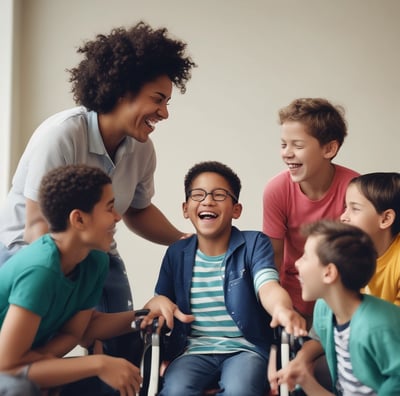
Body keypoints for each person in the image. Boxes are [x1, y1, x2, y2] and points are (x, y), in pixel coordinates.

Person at [0, 21, 196, 365]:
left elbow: (137, 210)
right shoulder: (62, 135)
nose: (165, 112)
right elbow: (36, 226)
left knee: (123, 344)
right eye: (158, 99)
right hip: (29, 251)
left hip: (95, 252)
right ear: (123, 91)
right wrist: (60, 290)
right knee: (31, 353)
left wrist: (185, 240)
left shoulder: (141, 148)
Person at [143, 161, 307, 396]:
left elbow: (267, 285)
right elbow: (159, 302)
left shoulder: (254, 244)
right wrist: (157, 303)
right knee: (176, 390)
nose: (208, 201)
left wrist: (281, 308)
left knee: (240, 389)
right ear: (185, 208)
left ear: (236, 209)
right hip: (192, 351)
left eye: (219, 195)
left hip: (246, 350)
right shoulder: (176, 253)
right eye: (198, 195)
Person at [0, 164, 142, 395]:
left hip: (22, 365)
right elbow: (6, 364)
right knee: (20, 387)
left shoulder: (96, 262)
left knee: (114, 384)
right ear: (79, 219)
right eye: (109, 208)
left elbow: (78, 331)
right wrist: (97, 363)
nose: (118, 217)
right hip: (8, 370)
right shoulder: (40, 269)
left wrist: (142, 315)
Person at [272, 220, 400, 395]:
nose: (296, 263)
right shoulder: (324, 309)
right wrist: (302, 375)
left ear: (329, 273)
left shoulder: (377, 328)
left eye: (305, 257)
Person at [262, 97, 359, 327]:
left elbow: (359, 254)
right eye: (284, 144)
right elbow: (272, 258)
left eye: (298, 145)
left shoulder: (354, 187)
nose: (287, 153)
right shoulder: (277, 190)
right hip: (295, 298)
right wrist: (279, 306)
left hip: (341, 298)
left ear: (329, 148)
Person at [340, 172, 400, 305]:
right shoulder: (348, 253)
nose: (343, 217)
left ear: (385, 219)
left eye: (355, 208)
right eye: (346, 207)